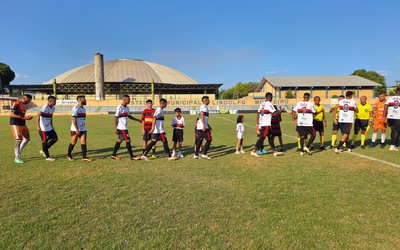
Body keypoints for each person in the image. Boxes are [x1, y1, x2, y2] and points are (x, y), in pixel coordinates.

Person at [251, 92, 283, 157]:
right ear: (270, 97)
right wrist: (280, 111)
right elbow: (275, 113)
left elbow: (258, 114)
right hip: (266, 124)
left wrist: (257, 123)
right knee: (262, 137)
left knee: (270, 137)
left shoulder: (262, 104)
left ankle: (274, 151)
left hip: (262, 123)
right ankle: (254, 151)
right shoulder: (269, 104)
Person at [111, 95, 141, 160]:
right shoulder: (120, 107)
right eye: (128, 100)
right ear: (124, 100)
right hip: (122, 128)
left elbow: (129, 116)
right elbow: (115, 117)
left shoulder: (127, 108)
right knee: (128, 140)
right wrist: (116, 128)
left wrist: (138, 120)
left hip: (124, 127)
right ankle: (132, 156)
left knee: (119, 140)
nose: (129, 101)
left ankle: (113, 155)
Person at [9, 94, 33, 164]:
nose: (29, 102)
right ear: (24, 98)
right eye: (28, 100)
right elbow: (12, 114)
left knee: (27, 138)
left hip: (23, 124)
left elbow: (22, 115)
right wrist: (22, 117)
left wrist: (27, 117)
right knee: (19, 140)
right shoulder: (17, 103)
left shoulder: (25, 106)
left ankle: (19, 151)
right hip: (15, 124)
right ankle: (17, 158)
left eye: (30, 101)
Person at [67, 95, 92, 162]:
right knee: (73, 142)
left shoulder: (83, 109)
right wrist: (77, 129)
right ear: (80, 100)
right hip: (75, 129)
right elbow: (73, 119)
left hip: (83, 128)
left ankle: (84, 157)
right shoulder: (75, 108)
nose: (86, 100)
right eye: (84, 99)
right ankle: (69, 155)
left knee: (83, 142)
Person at [37, 95, 58, 161]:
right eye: (54, 101)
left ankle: (43, 150)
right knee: (44, 141)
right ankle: (47, 157)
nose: (55, 102)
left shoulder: (53, 108)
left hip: (49, 127)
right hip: (43, 128)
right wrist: (38, 126)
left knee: (55, 139)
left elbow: (51, 117)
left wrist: (52, 125)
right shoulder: (45, 107)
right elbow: (38, 115)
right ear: (50, 101)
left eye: (55, 101)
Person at [384, 87, 400, 151]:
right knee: (397, 131)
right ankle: (393, 145)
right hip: (398, 117)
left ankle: (395, 145)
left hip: (390, 117)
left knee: (393, 130)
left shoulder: (390, 98)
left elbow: (385, 108)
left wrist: (384, 117)